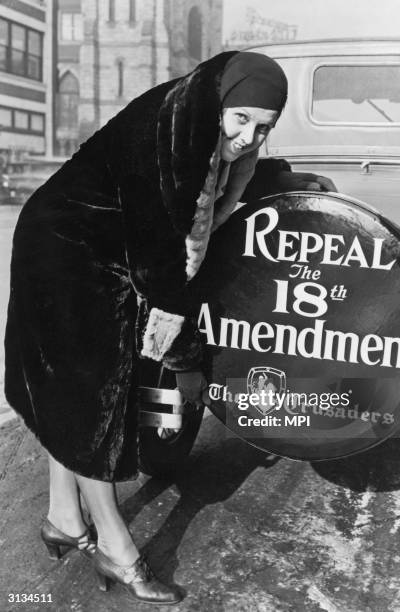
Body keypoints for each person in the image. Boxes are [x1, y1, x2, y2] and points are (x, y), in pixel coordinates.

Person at [4, 51, 336, 604]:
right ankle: (117, 548)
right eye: (241, 121)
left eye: (263, 127)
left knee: (70, 394)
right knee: (91, 403)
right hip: (65, 252)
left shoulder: (206, 119)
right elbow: (159, 261)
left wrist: (285, 177)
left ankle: (64, 516)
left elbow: (231, 171)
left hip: (103, 245)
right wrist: (186, 359)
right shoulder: (167, 132)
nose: (248, 137)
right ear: (219, 104)